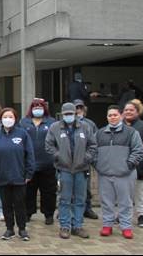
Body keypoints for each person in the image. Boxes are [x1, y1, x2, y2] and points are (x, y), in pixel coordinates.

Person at [45, 102, 97, 239]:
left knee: (80, 199)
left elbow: (93, 145)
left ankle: (77, 226)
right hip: (64, 169)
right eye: (66, 114)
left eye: (71, 113)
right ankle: (65, 226)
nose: (69, 116)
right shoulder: (55, 127)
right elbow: (49, 145)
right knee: (64, 199)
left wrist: (86, 158)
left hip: (82, 168)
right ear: (62, 115)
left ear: (76, 114)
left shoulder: (86, 127)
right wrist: (58, 156)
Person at [0, 107, 35, 241]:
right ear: (1, 119)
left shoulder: (22, 134)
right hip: (2, 177)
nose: (8, 119)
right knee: (6, 204)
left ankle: (22, 229)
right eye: (5, 117)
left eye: (10, 117)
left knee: (20, 204)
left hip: (19, 177)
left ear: (15, 118)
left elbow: (30, 155)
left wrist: (29, 174)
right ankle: (9, 229)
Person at [95, 105, 143, 239]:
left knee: (126, 202)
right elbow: (92, 151)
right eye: (110, 115)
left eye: (115, 115)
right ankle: (107, 225)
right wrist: (97, 165)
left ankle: (126, 227)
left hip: (125, 174)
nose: (112, 117)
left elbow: (138, 151)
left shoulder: (131, 132)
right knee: (106, 201)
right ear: (107, 117)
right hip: (105, 174)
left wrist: (128, 165)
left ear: (121, 116)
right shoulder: (99, 134)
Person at [20, 98, 57, 225]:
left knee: (49, 191)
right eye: (35, 107)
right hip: (29, 164)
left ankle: (49, 214)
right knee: (29, 191)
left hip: (48, 163)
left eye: (40, 106)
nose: (37, 109)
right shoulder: (24, 122)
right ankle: (27, 213)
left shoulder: (52, 122)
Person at [122, 100, 143, 228]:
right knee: (123, 192)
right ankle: (122, 215)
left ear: (138, 112)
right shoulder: (119, 126)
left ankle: (141, 215)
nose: (128, 112)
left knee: (140, 192)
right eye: (126, 110)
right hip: (122, 167)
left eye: (131, 110)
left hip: (140, 167)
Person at [74, 99, 99, 220]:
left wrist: (90, 157)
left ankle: (87, 208)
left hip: (84, 161)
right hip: (68, 162)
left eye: (80, 108)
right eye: (76, 108)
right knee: (67, 188)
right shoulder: (63, 123)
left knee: (86, 187)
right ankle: (68, 209)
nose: (78, 110)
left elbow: (94, 142)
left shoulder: (90, 124)